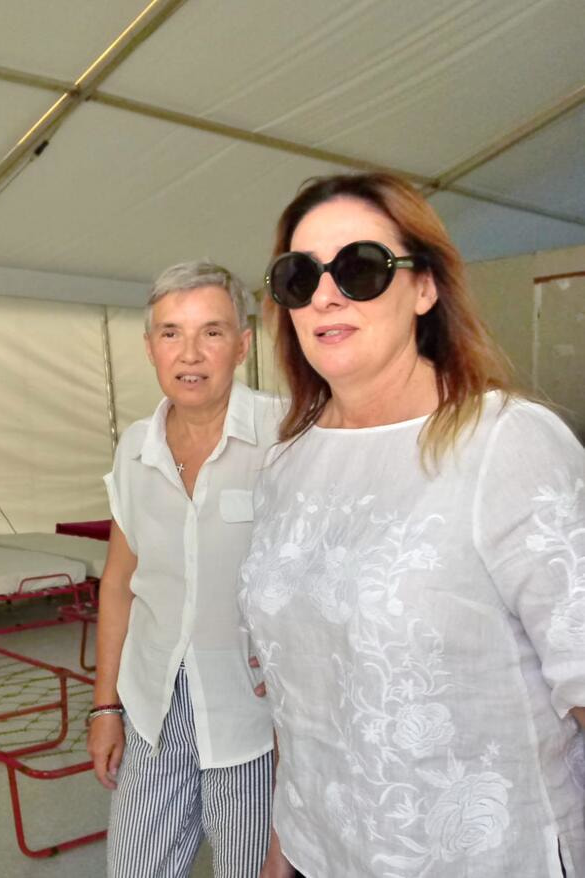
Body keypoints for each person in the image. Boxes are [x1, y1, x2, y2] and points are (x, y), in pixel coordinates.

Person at [239, 172, 585, 878]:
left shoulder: (504, 445)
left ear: (424, 287)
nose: (326, 295)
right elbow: (301, 703)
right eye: (299, 276)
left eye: (360, 268)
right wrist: (282, 849)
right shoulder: (284, 465)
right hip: (322, 853)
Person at [87, 261, 282, 878]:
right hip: (153, 703)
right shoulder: (135, 447)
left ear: (243, 344)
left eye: (211, 332)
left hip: (254, 716)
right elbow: (119, 583)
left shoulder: (285, 435)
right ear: (150, 347)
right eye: (171, 333)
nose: (190, 354)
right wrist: (105, 708)